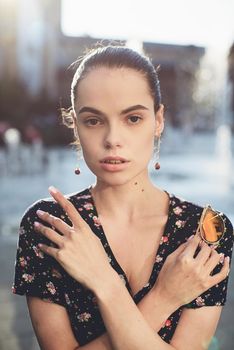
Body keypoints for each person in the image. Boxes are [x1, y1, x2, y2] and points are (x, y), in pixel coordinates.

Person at [12, 45, 233, 350]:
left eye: (132, 119)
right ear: (75, 124)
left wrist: (105, 284)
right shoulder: (49, 227)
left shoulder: (206, 232)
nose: (112, 139)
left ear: (158, 120)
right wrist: (163, 298)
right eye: (93, 120)